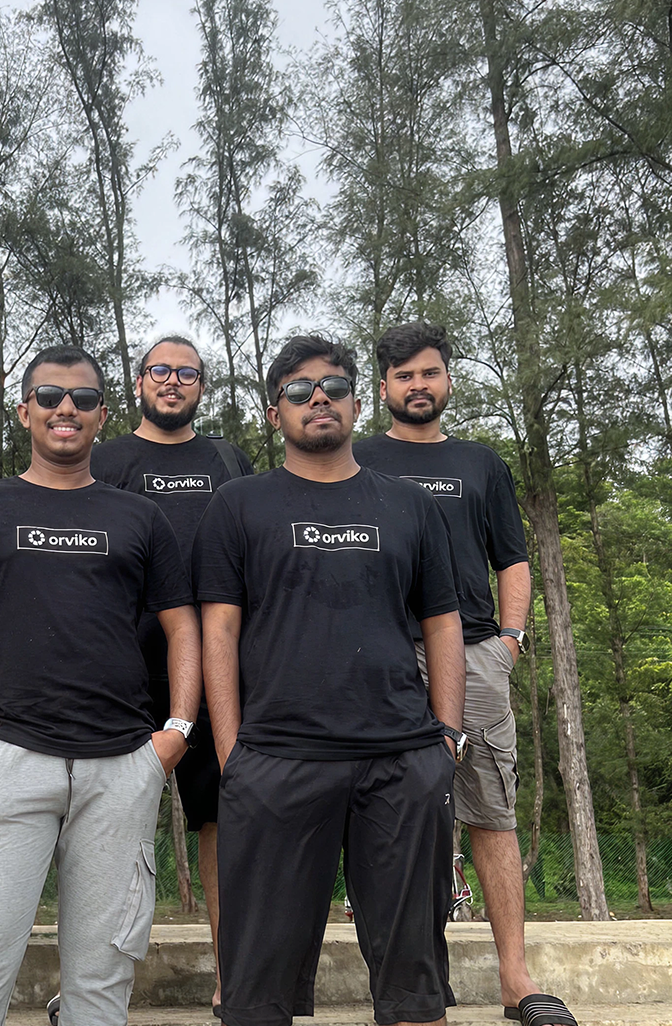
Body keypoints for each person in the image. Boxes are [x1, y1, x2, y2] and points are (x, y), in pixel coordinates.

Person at [0, 345, 202, 1026]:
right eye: (48, 396)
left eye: (82, 398)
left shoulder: (141, 518)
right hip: (7, 762)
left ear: (104, 414)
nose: (65, 408)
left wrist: (176, 733)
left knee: (101, 987)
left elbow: (182, 626)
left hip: (122, 770)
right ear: (24, 411)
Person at [193, 335, 466, 1026]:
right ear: (272, 410)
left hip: (402, 761)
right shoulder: (237, 504)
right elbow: (217, 631)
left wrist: (448, 740)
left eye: (334, 386)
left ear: (355, 400)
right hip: (277, 762)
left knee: (415, 989)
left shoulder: (410, 504)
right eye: (299, 389)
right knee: (256, 996)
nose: (319, 398)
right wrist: (232, 753)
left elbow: (442, 622)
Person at [353, 323, 574, 1026]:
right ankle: (417, 982)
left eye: (430, 373)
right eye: (404, 375)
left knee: (490, 812)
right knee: (395, 818)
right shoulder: (355, 458)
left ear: (448, 380)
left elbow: (512, 557)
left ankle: (516, 979)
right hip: (384, 655)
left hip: (475, 653)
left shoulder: (481, 464)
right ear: (383, 387)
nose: (418, 385)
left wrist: (509, 639)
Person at [89, 332, 252, 1018]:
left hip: (218, 670)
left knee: (224, 822)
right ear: (139, 382)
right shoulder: (106, 458)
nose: (173, 381)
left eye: (187, 373)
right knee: (108, 827)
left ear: (202, 387)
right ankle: (93, 989)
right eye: (161, 370)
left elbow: (255, 549)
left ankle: (232, 981)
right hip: (123, 669)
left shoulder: (227, 458)